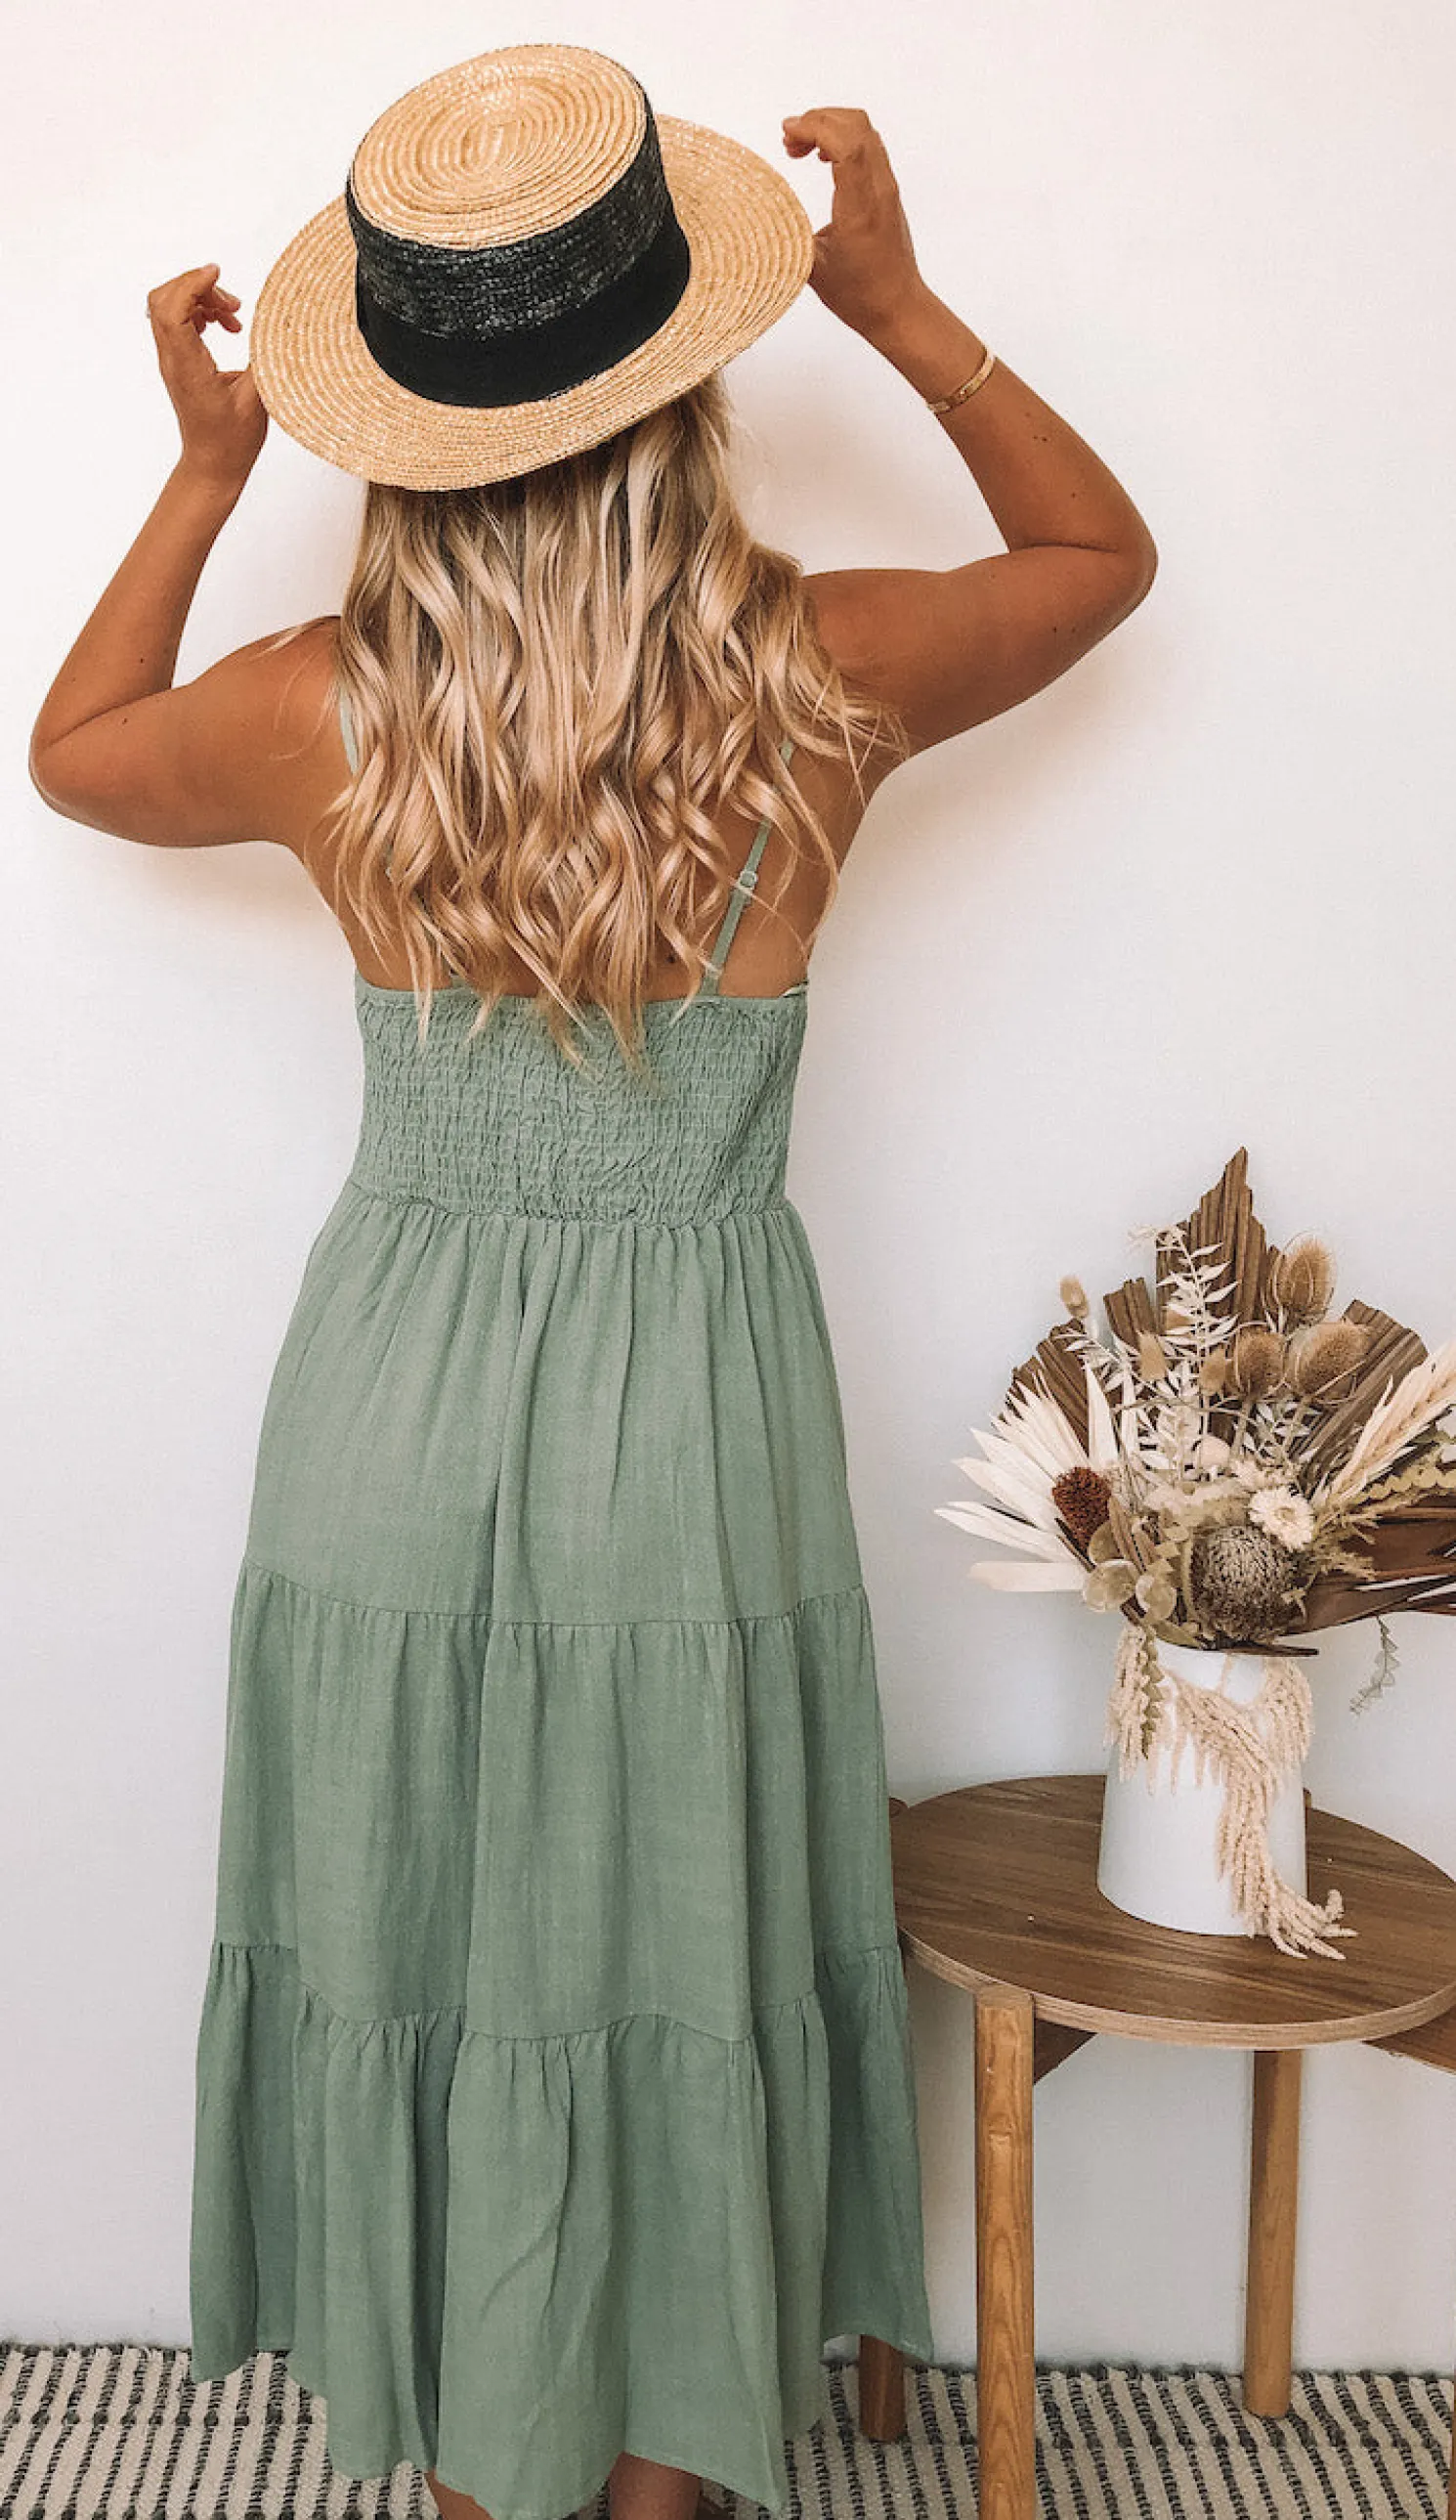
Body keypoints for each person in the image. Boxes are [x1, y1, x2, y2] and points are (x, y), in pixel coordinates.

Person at [28, 42, 1156, 2520]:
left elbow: (73, 743)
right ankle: (654, 2459)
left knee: (432, 1918)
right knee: (666, 1924)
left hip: (390, 1403)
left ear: (398, 432)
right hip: (694, 1398)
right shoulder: (822, 674)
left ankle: (479, 2453)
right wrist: (905, 308)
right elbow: (1098, 558)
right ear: (680, 385)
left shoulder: (317, 712)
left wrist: (203, 474)